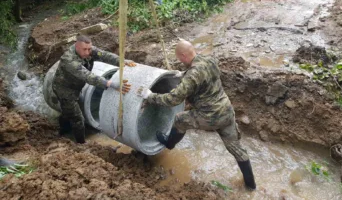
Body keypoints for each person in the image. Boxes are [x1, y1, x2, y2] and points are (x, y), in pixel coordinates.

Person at [137, 40, 256, 190]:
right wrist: (182, 75)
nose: (179, 60)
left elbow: (173, 99)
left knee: (180, 119)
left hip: (210, 116)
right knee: (236, 149)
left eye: (179, 58)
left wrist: (150, 96)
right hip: (226, 111)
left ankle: (169, 143)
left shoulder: (192, 75)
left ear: (183, 55)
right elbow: (201, 75)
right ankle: (251, 186)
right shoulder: (209, 60)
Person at [52, 35, 135, 144]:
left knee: (71, 111)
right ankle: (80, 143)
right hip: (65, 90)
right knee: (77, 118)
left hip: (76, 86)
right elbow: (88, 76)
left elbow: (104, 55)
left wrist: (122, 61)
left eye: (89, 49)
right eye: (84, 49)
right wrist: (111, 84)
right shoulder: (68, 60)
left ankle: (63, 126)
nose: (87, 52)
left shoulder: (89, 50)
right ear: (76, 47)